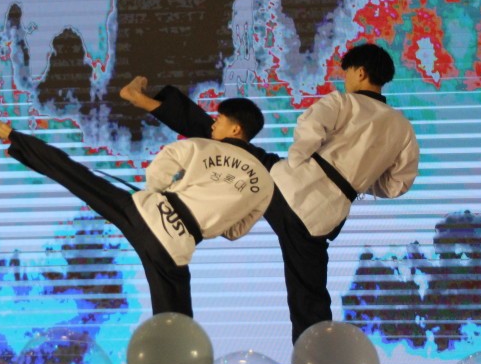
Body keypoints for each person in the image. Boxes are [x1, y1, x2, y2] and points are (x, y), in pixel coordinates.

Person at [120, 42, 419, 342]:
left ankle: (145, 101)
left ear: (361, 72)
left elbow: (310, 126)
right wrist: (358, 180)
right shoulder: (402, 128)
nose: (346, 80)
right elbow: (397, 184)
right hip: (321, 218)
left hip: (287, 184)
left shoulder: (343, 102)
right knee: (310, 298)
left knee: (225, 141)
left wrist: (298, 161)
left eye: (348, 73)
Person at [0, 94, 275, 317]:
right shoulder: (265, 183)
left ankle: (13, 137)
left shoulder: (204, 146)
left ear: (235, 128)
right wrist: (215, 217)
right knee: (176, 321)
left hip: (143, 212)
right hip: (173, 247)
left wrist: (159, 194)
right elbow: (236, 231)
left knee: (78, 177)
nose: (213, 124)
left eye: (219, 119)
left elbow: (164, 163)